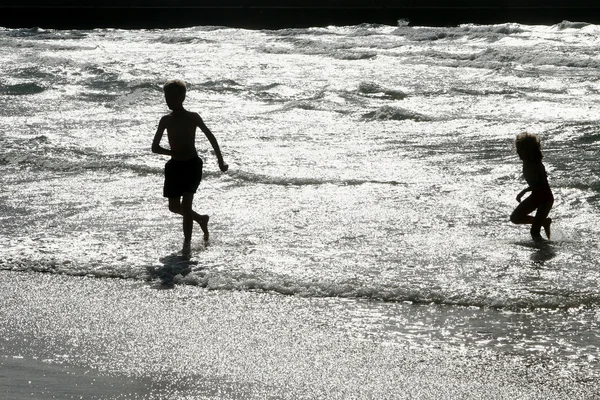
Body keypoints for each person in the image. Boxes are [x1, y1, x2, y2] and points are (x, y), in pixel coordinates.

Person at [152, 79, 228, 255]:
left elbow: (211, 138)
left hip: (192, 165)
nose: (168, 100)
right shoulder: (165, 120)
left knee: (186, 206)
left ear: (182, 97)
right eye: (166, 97)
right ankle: (201, 219)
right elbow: (155, 147)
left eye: (171, 96)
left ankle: (186, 247)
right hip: (174, 167)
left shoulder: (192, 117)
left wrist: (220, 161)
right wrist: (172, 154)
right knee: (173, 207)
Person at [510, 132, 553, 241]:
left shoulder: (535, 164)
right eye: (517, 149)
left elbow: (541, 184)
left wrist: (524, 191)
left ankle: (545, 251)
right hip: (536, 196)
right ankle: (543, 221)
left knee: (534, 232)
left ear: (529, 151)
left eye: (520, 149)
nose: (517, 152)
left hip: (545, 198)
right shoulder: (526, 161)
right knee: (515, 218)